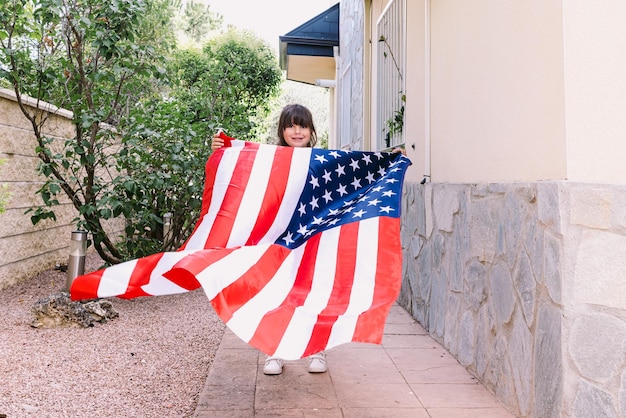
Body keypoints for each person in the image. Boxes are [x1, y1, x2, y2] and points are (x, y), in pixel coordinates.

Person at [211, 103, 326, 375]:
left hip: (312, 236)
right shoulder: (269, 158)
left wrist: (388, 158)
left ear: (311, 130)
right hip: (278, 238)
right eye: (291, 125)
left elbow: (357, 168)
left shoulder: (323, 159)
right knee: (277, 291)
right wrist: (222, 150)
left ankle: (316, 349)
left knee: (311, 292)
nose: (297, 131)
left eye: (303, 125)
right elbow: (240, 172)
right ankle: (275, 350)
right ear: (282, 130)